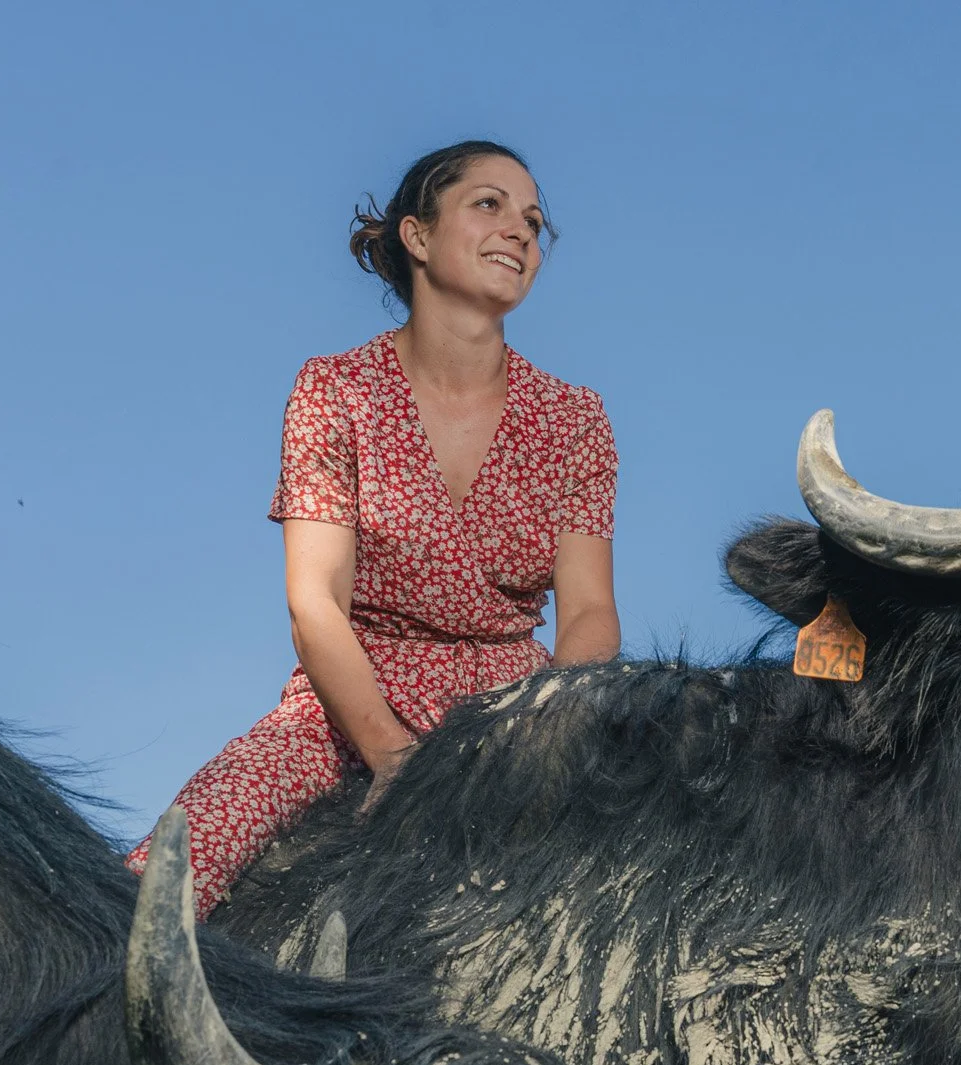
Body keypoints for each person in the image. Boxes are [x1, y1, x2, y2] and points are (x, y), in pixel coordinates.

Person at [129, 140, 620, 915]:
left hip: (517, 705)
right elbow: (314, 602)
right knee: (181, 857)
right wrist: (393, 756)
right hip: (343, 701)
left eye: (533, 220)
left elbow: (590, 612)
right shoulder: (334, 390)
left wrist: (543, 731)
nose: (521, 231)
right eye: (488, 204)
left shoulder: (576, 418)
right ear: (417, 237)